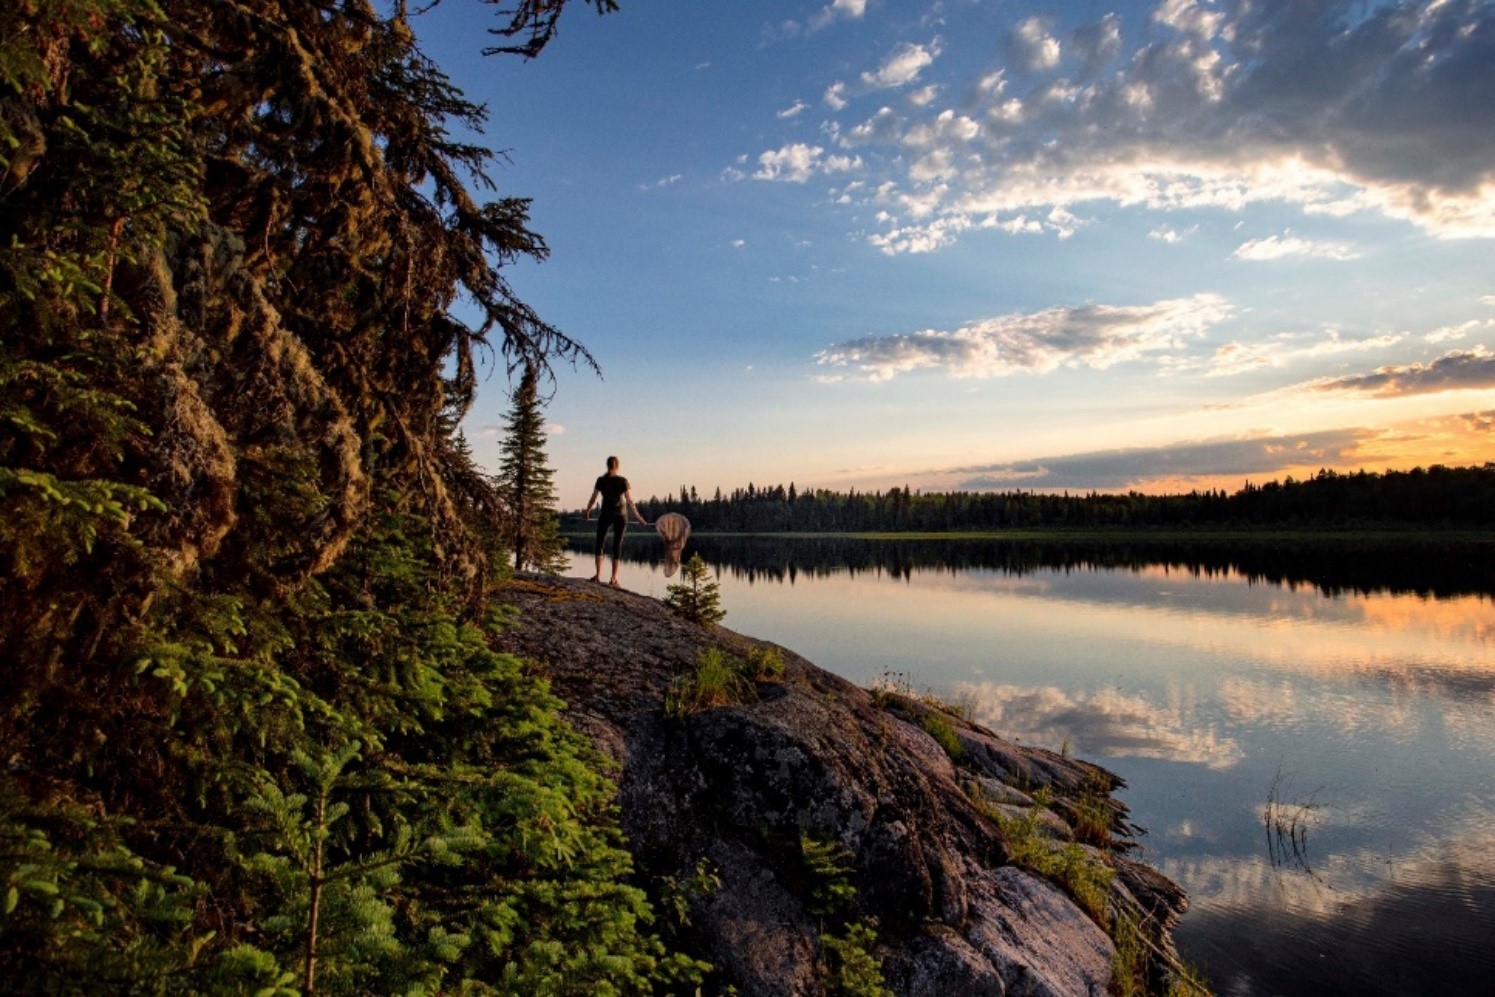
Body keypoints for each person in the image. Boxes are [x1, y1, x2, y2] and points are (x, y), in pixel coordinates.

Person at [583, 456, 649, 586]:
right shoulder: (622, 480)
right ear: (617, 466)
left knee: (600, 543)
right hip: (621, 515)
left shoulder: (601, 480)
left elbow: (593, 498)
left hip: (606, 514)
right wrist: (638, 517)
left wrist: (588, 510)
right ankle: (613, 578)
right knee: (617, 545)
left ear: (607, 465)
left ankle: (597, 575)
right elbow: (630, 501)